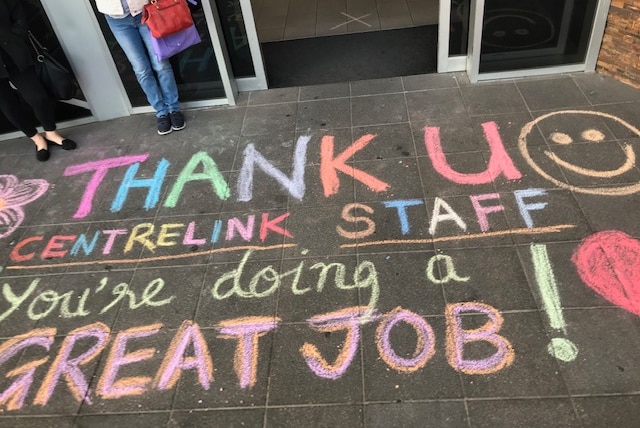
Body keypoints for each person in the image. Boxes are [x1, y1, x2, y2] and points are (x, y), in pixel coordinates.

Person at [0, 0, 77, 162]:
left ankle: (51, 132)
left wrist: (17, 36)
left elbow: (18, 12)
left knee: (38, 97)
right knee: (8, 107)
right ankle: (36, 138)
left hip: (13, 53)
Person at [95, 0, 186, 135]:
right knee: (141, 68)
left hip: (145, 10)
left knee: (161, 63)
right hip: (116, 18)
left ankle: (173, 108)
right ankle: (161, 112)